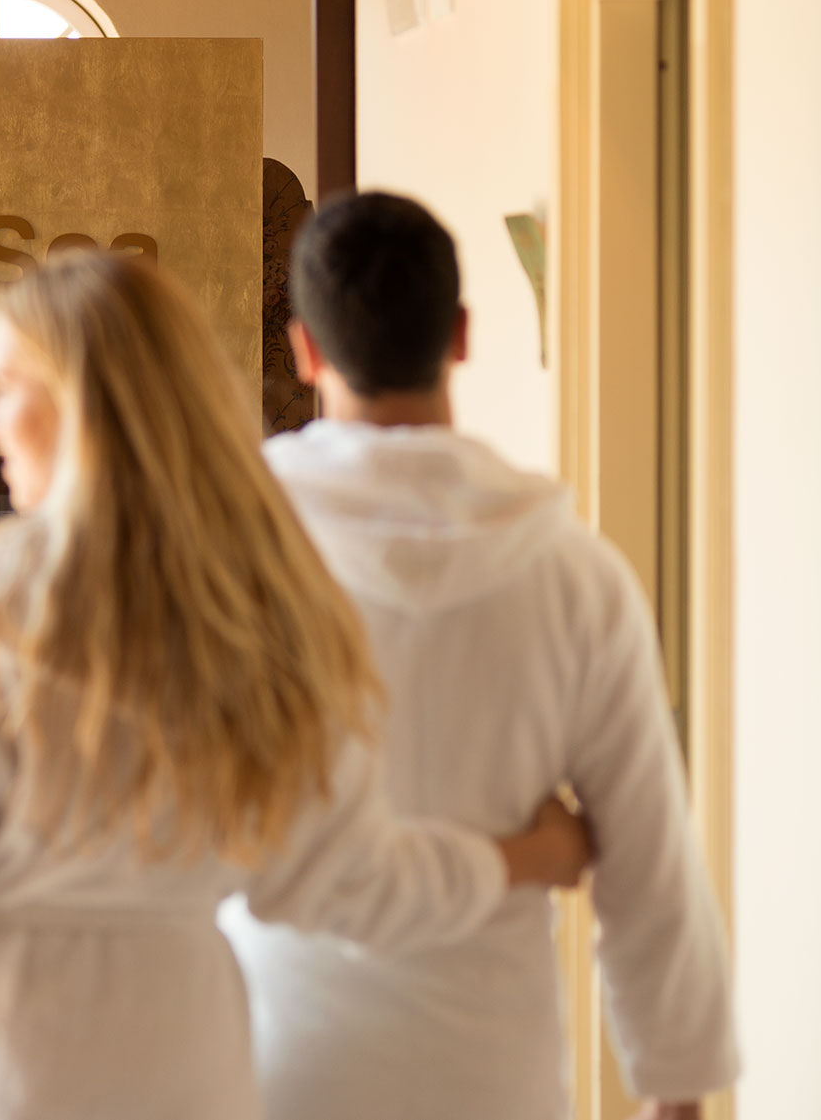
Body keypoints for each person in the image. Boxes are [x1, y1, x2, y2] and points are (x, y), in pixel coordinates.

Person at [0, 253, 592, 1120]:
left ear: (87, 405)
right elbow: (344, 882)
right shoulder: (272, 615)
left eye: (8, 388)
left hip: (11, 1053)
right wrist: (522, 856)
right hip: (195, 1055)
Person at [221, 192, 739, 1120]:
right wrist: (676, 1087)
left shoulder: (233, 565)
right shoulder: (573, 573)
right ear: (460, 335)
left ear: (303, 351)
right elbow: (650, 850)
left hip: (274, 1050)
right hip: (491, 1066)